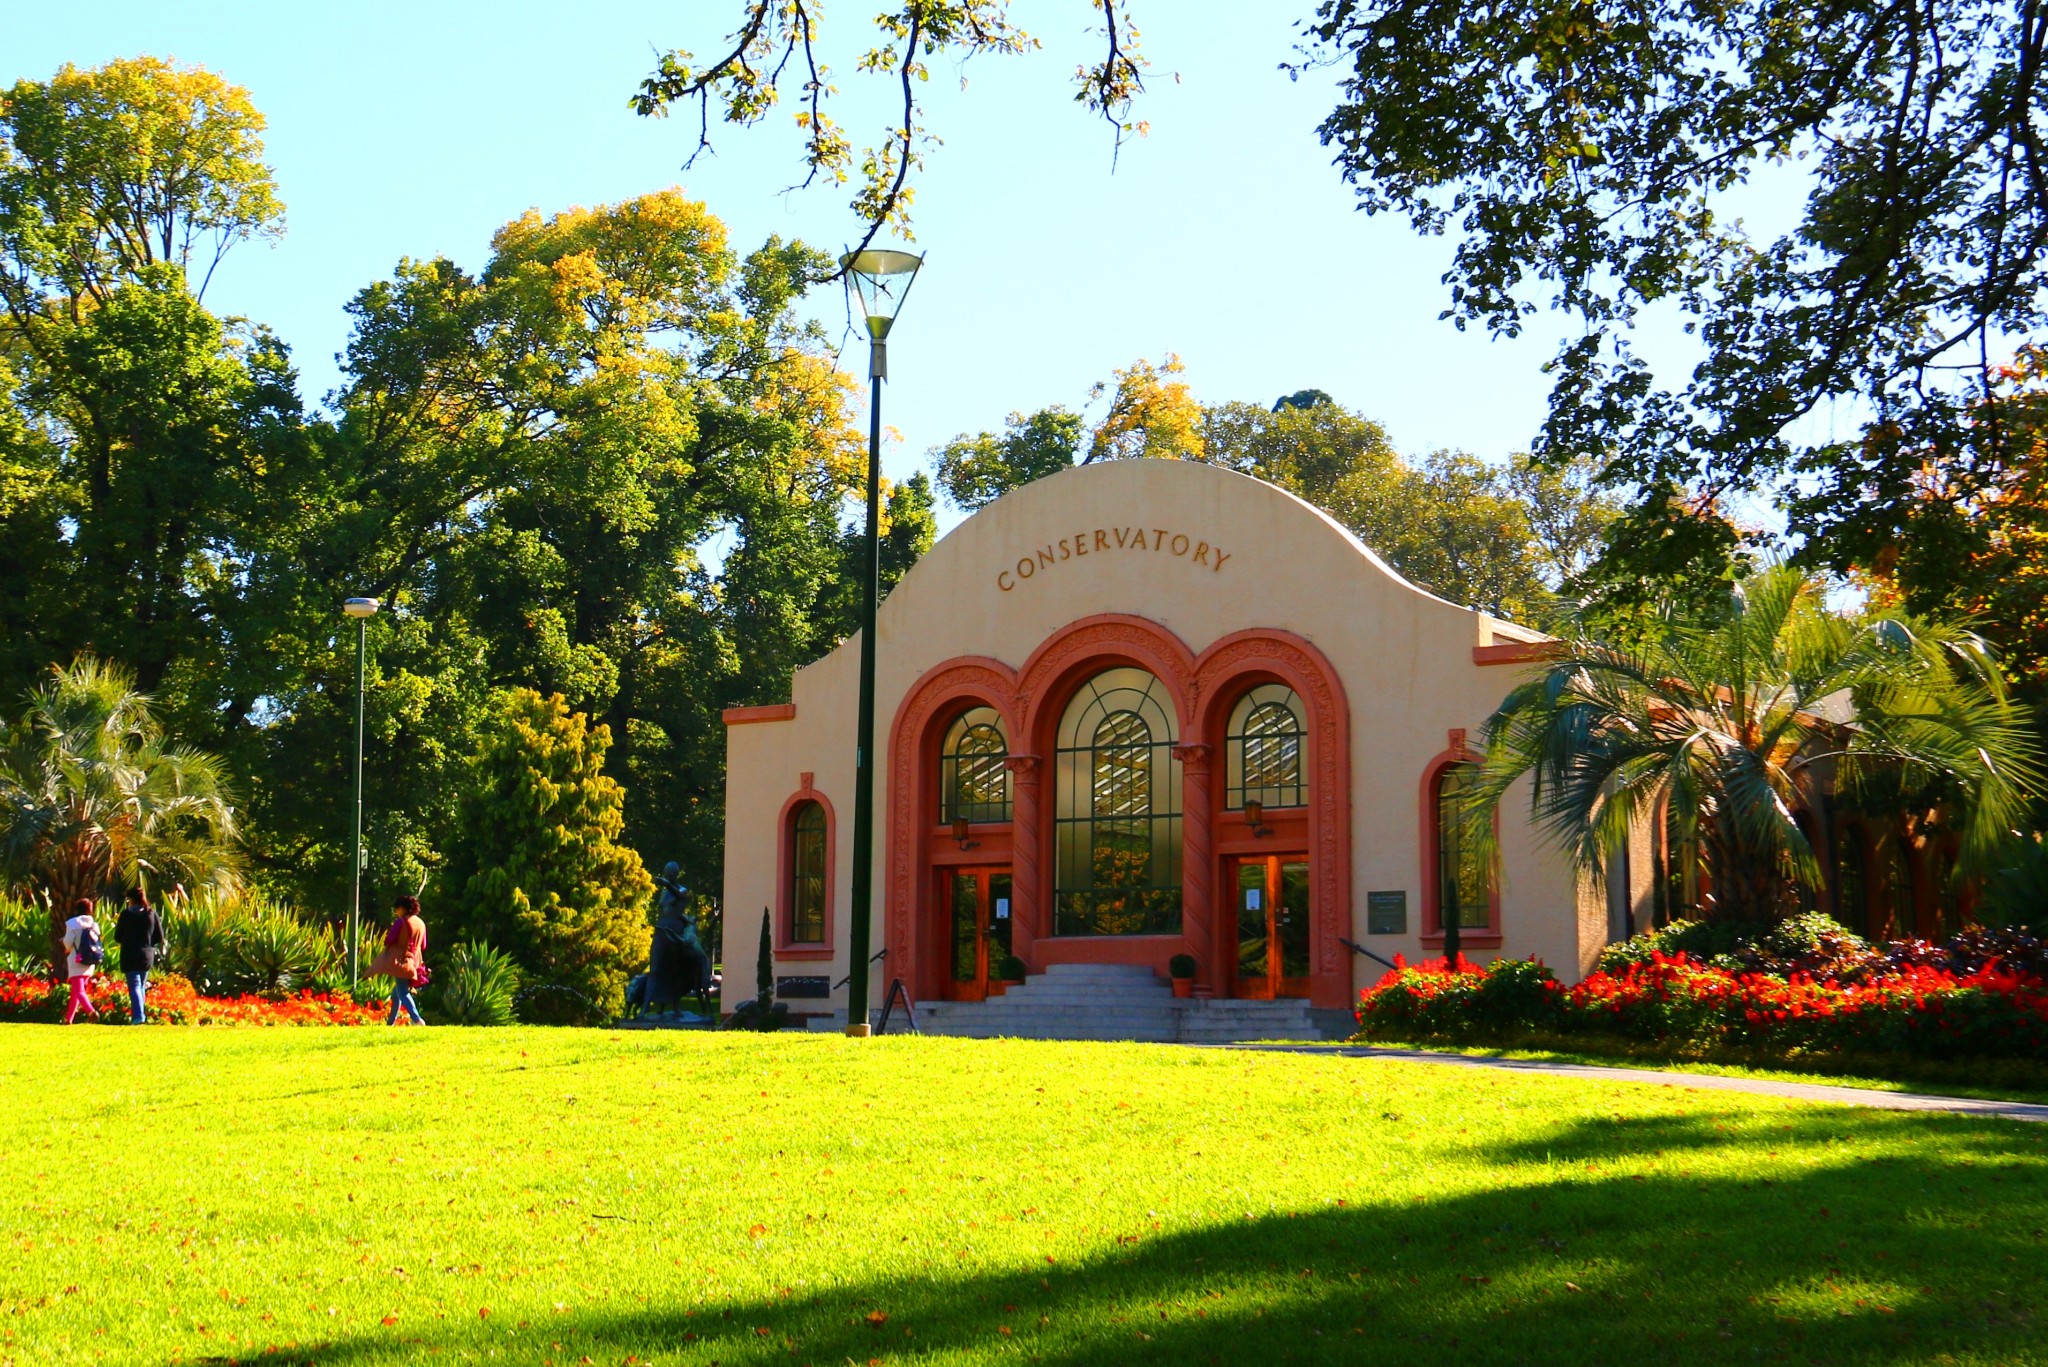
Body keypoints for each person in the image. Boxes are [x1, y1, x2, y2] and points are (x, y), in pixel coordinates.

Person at [369, 895, 428, 1026]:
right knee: (396, 993)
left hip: (402, 960)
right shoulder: (420, 923)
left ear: (402, 908)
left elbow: (389, 940)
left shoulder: (401, 922)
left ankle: (417, 1019)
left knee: (402, 992)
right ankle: (391, 1022)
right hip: (416, 960)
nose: (396, 912)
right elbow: (423, 945)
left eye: (396, 909)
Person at [112, 887, 167, 1024]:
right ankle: (141, 1015)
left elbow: (118, 936)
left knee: (135, 986)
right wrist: (147, 943)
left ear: (130, 899)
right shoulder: (151, 914)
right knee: (141, 985)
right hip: (146, 954)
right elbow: (159, 937)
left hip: (130, 954)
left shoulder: (126, 915)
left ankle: (138, 1017)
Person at [60, 898, 103, 1025]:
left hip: (76, 959)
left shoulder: (72, 923)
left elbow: (68, 942)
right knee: (76, 991)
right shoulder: (94, 925)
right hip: (90, 960)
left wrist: (66, 947)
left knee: (78, 990)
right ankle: (68, 1019)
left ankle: (91, 1011)